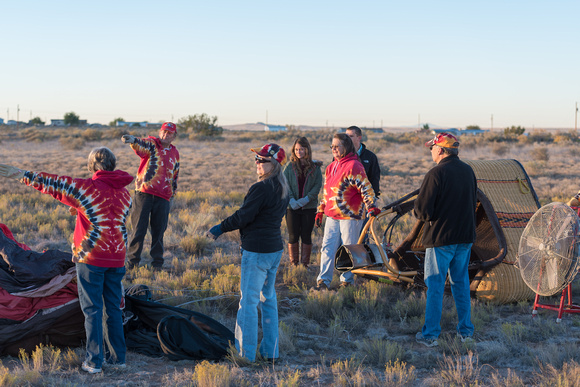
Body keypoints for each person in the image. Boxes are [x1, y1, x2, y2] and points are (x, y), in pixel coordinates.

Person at [0, 147, 133, 373]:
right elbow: (110, 218)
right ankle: (118, 358)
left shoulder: (87, 188)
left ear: (92, 166)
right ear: (112, 164)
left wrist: (19, 174)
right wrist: (81, 211)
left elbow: (54, 184)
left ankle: (93, 362)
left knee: (91, 309)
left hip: (92, 257)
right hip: (118, 256)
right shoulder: (125, 193)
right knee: (113, 308)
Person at [206, 143, 290, 362]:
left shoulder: (261, 188)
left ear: (275, 164)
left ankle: (246, 354)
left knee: (248, 302)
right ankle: (270, 352)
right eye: (257, 159)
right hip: (274, 250)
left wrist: (220, 228)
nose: (257, 163)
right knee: (268, 300)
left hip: (258, 251)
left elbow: (243, 216)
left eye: (263, 160)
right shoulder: (283, 187)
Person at [413, 133, 477, 347]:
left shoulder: (436, 173)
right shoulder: (468, 171)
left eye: (432, 147)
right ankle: (466, 332)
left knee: (435, 285)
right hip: (465, 237)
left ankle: (430, 335)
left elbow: (422, 212)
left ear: (440, 149)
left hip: (441, 239)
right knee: (461, 283)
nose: (430, 151)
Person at [315, 133, 380, 290]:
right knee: (327, 248)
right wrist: (321, 209)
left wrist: (371, 206)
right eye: (332, 146)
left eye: (337, 146)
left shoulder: (354, 166)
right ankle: (323, 280)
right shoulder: (331, 167)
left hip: (350, 216)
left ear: (346, 147)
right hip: (332, 215)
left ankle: (347, 281)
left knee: (349, 249)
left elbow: (366, 187)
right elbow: (327, 192)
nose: (334, 149)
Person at [122, 122, 180, 270]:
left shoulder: (175, 152)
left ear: (174, 136)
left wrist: (172, 193)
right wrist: (133, 140)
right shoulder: (152, 145)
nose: (165, 135)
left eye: (169, 133)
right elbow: (141, 144)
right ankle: (132, 263)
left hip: (163, 197)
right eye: (163, 132)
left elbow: (175, 174)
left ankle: (157, 264)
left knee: (159, 232)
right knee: (138, 230)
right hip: (144, 194)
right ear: (160, 132)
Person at [283, 137, 323, 267]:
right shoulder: (290, 167)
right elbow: (285, 184)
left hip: (308, 207)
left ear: (307, 149)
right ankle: (294, 263)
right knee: (293, 235)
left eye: (301, 149)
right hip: (291, 207)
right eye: (296, 149)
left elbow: (317, 186)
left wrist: (305, 200)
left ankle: (305, 264)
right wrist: (292, 200)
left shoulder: (315, 168)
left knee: (306, 235)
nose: (299, 152)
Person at [345, 126, 381, 199]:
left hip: (365, 197)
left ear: (359, 138)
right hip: (345, 197)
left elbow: (374, 178)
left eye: (351, 136)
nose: (347, 138)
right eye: (346, 136)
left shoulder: (370, 156)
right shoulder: (340, 155)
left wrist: (374, 196)